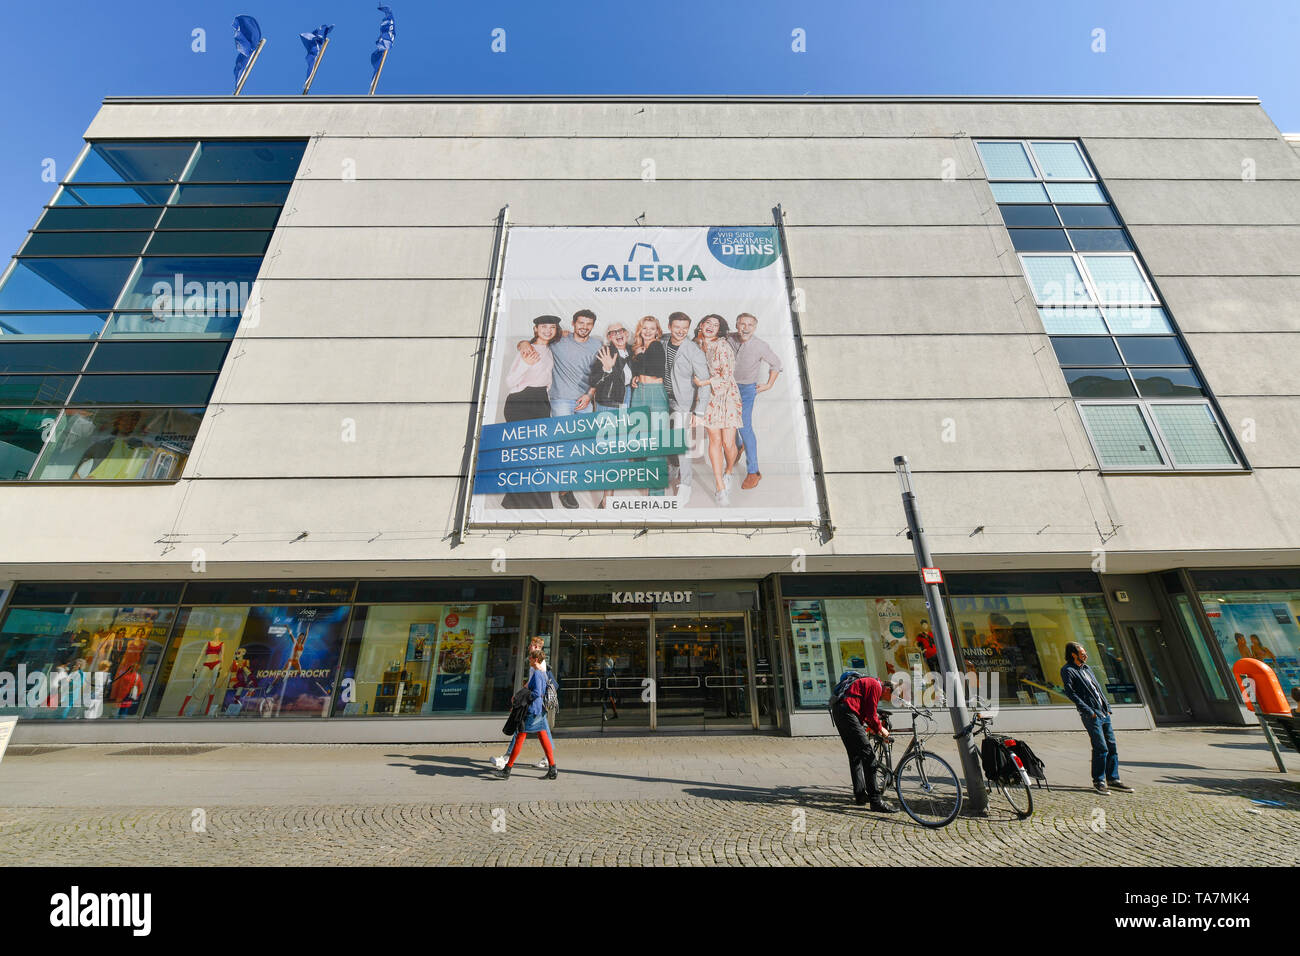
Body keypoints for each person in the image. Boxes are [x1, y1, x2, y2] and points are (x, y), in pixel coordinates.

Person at [518, 310, 604, 508]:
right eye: (580, 323)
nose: (584, 327)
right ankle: (565, 489)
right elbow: (535, 340)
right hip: (560, 399)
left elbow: (598, 375)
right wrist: (523, 343)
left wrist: (589, 395)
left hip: (584, 400)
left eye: (588, 323)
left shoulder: (597, 345)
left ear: (593, 326)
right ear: (573, 324)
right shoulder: (558, 341)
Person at [502, 315, 561, 510]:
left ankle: (515, 501)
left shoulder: (549, 349)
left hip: (540, 401)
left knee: (538, 454)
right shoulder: (527, 350)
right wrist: (526, 364)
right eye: (544, 327)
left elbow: (546, 379)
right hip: (521, 402)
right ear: (535, 329)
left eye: (552, 327)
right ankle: (525, 503)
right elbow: (510, 382)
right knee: (524, 453)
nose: (548, 330)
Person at [1060, 641, 1134, 795]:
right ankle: (1099, 781)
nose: (1085, 655)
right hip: (1091, 714)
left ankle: (1113, 779)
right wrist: (1088, 710)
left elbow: (1097, 688)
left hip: (1103, 712)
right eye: (1082, 653)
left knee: (1112, 746)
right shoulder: (1068, 670)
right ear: (1074, 654)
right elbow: (1070, 692)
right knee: (1101, 747)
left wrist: (1107, 707)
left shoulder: (1086, 668)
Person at [726, 313, 783, 490]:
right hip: (726, 388)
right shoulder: (728, 338)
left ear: (755, 327)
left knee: (744, 426)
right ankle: (738, 446)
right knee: (728, 423)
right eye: (742, 323)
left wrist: (769, 385)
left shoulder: (760, 346)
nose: (746, 327)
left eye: (750, 325)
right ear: (736, 324)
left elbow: (776, 364)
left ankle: (754, 471)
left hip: (746, 390)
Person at [829, 671, 896, 812]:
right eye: (890, 696)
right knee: (869, 757)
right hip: (847, 713)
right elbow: (871, 715)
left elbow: (865, 712)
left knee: (855, 756)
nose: (888, 700)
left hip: (838, 711)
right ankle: (875, 801)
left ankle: (860, 795)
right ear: (888, 689)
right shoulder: (875, 686)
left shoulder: (869, 683)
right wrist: (880, 730)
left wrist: (874, 727)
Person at [694, 314, 741, 505]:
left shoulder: (722, 345)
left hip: (727, 395)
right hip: (708, 398)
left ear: (720, 329)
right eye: (708, 323)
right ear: (701, 324)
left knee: (728, 443)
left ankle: (728, 471)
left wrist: (705, 382)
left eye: (716, 324)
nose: (711, 327)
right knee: (714, 440)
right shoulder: (694, 345)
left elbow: (728, 375)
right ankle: (720, 487)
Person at [663, 311, 710, 498]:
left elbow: (705, 382)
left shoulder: (693, 350)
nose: (681, 331)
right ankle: (673, 468)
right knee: (666, 439)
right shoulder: (663, 342)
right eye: (677, 327)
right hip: (663, 399)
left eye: (685, 328)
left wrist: (699, 413)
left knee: (681, 444)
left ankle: (686, 486)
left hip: (682, 403)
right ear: (669, 327)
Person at [495, 648, 558, 780]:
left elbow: (537, 693)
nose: (528, 660)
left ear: (535, 660)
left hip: (532, 711)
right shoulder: (542, 673)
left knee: (520, 737)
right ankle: (552, 768)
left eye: (530, 658)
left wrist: (522, 697)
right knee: (543, 737)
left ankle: (507, 769)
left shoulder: (538, 674)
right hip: (538, 711)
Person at [628, 315, 670, 497]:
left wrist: (640, 356)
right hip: (639, 393)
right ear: (640, 330)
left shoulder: (656, 346)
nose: (647, 331)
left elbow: (655, 371)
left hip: (655, 393)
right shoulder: (639, 348)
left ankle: (657, 494)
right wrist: (635, 377)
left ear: (657, 331)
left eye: (651, 328)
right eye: (644, 328)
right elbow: (640, 371)